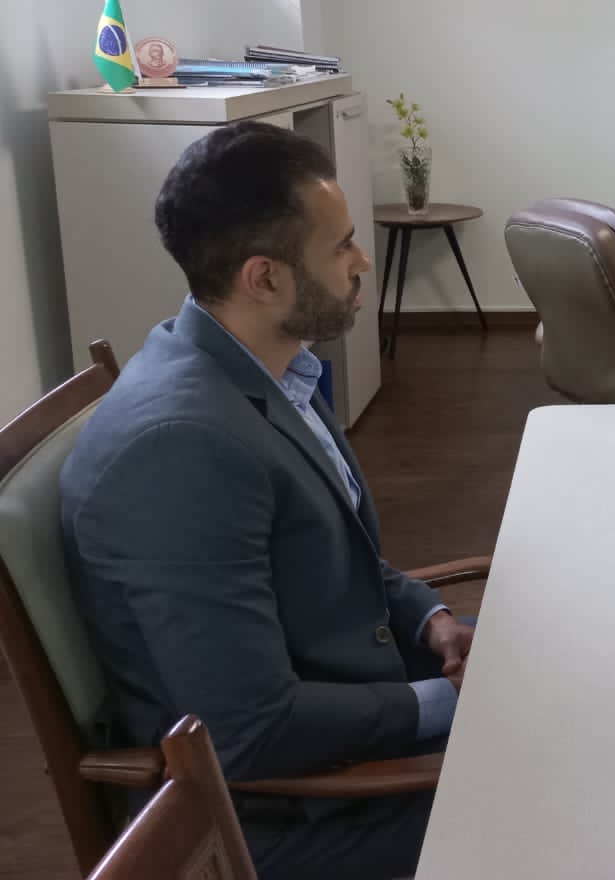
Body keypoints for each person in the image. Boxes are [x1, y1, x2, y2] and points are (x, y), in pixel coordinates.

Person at [60, 122, 474, 880]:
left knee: (583, 696)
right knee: (591, 794)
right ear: (265, 278)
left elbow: (329, 553)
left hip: (342, 707)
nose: (362, 261)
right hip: (281, 813)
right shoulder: (181, 447)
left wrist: (429, 618)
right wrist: (449, 703)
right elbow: (249, 729)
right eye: (342, 246)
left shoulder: (261, 371)